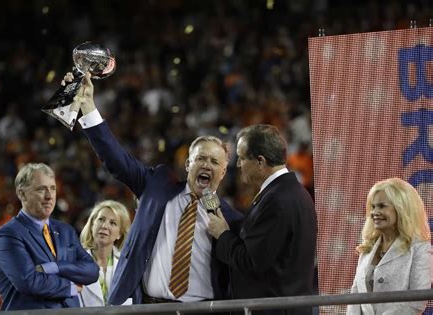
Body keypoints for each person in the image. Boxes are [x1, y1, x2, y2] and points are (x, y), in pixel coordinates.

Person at [63, 72, 242, 305]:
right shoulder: (157, 185)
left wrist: (226, 235)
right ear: (188, 164)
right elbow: (116, 159)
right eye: (201, 159)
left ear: (223, 173)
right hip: (148, 307)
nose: (207, 165)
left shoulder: (231, 221)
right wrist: (87, 107)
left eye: (215, 162)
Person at [208, 124, 317, 315]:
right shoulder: (291, 192)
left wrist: (222, 234)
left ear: (260, 161)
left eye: (242, 158)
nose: (238, 164)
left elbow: (251, 262)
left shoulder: (276, 200)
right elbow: (262, 241)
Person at [0, 163, 99, 310]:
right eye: (41, 189)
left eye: (53, 189)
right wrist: (71, 287)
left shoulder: (66, 230)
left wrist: (56, 267)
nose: (49, 196)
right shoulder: (8, 234)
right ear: (22, 193)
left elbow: (92, 271)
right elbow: (30, 282)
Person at [346, 178, 431, 315]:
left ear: (401, 208)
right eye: (373, 207)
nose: (374, 212)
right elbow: (356, 293)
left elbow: (418, 301)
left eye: (382, 206)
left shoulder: (419, 247)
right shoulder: (369, 245)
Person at [79, 200, 132, 306]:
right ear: (92, 225)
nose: (104, 226)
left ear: (119, 234)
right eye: (101, 219)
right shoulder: (75, 263)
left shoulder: (128, 267)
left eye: (113, 223)